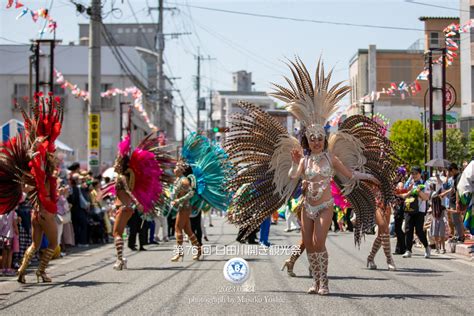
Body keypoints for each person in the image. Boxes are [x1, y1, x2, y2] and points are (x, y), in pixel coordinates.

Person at [225, 58, 398, 295]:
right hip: (307, 206)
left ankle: (324, 282)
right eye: (312, 137)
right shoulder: (305, 160)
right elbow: (292, 174)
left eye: (319, 137)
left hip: (325, 205)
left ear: (323, 139)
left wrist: (372, 177)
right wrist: (296, 164)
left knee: (318, 243)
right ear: (307, 140)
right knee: (308, 247)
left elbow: (350, 174)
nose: (316, 140)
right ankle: (316, 281)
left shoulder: (331, 158)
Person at [0, 94, 65, 283]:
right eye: (53, 155)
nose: (55, 156)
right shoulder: (44, 173)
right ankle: (41, 271)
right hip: (46, 212)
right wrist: (39, 151)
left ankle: (21, 270)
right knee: (53, 243)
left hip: (36, 213)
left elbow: (31, 184)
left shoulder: (38, 176)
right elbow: (41, 164)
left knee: (36, 244)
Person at [107, 123, 173, 270]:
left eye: (118, 161)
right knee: (118, 232)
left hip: (125, 207)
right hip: (125, 207)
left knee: (117, 233)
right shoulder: (125, 176)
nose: (116, 163)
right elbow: (123, 194)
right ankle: (120, 259)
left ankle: (120, 260)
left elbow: (128, 193)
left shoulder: (121, 178)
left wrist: (137, 203)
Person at [399, 166, 431, 259]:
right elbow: (403, 195)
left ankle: (426, 247)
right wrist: (410, 191)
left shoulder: (425, 184)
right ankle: (408, 250)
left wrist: (419, 191)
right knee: (408, 230)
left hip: (420, 210)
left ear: (420, 174)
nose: (414, 175)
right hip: (409, 209)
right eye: (412, 173)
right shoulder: (408, 183)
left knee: (419, 231)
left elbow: (426, 198)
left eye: (416, 173)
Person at [366, 190, 396, 271]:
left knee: (381, 235)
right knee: (385, 230)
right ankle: (389, 260)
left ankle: (370, 258)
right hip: (375, 204)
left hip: (387, 204)